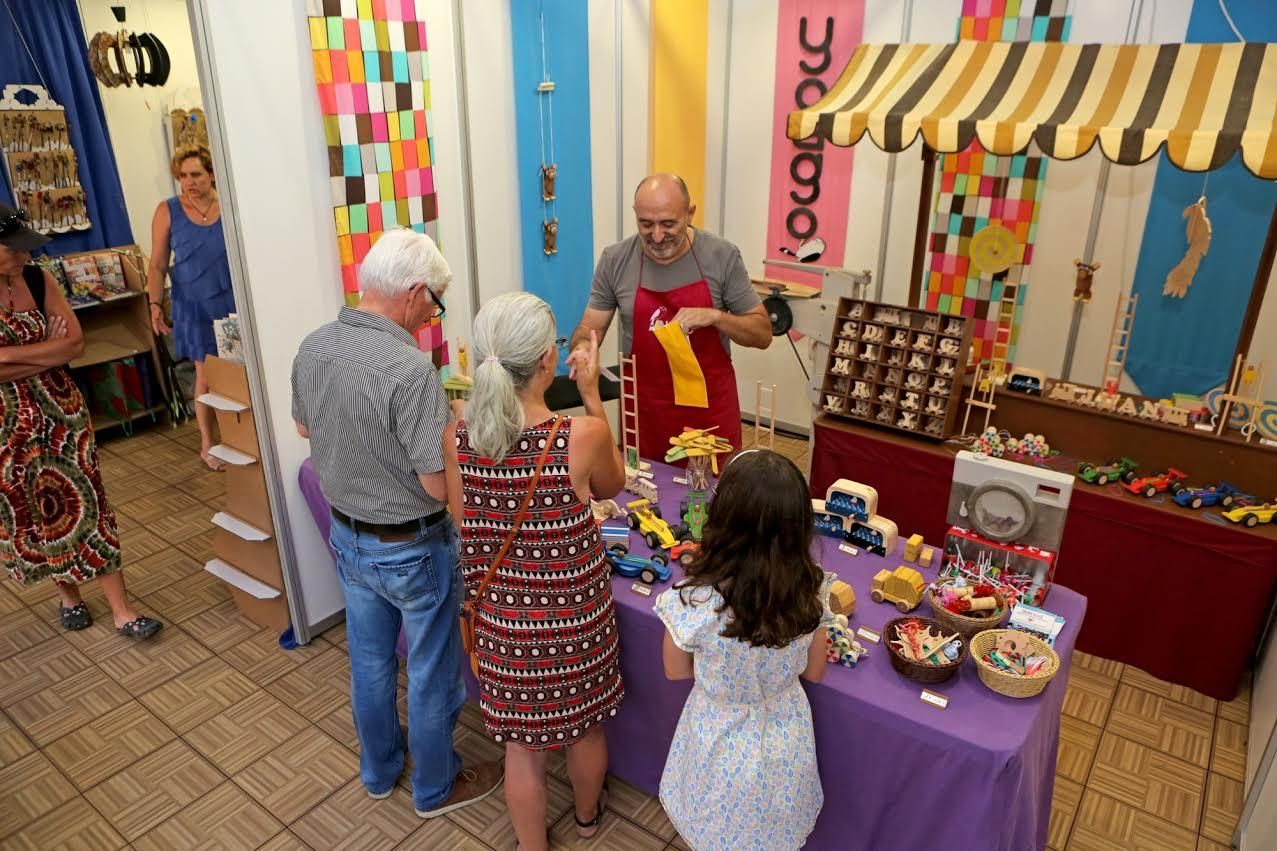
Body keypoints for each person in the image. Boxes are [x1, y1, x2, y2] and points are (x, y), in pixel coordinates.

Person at [291, 228, 502, 816]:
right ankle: (436, 786)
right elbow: (437, 486)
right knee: (432, 672)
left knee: (370, 662)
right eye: (435, 302)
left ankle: (380, 771)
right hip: (412, 546)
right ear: (413, 292)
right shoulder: (410, 369)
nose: (433, 315)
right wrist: (456, 434)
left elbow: (306, 427)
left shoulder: (314, 345)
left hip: (347, 535)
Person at [443, 292, 626, 851]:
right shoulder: (580, 436)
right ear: (549, 361)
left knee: (522, 750)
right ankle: (588, 818)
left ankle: (532, 846)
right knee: (586, 730)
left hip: (504, 623)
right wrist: (591, 395)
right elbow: (612, 486)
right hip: (575, 621)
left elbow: (464, 522)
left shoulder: (458, 439)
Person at [0, 204, 162, 639]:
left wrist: (11, 356)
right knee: (36, 512)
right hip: (7, 430)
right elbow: (55, 350)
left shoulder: (38, 278)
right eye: (14, 249)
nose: (25, 256)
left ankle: (122, 610)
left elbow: (73, 344)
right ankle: (68, 597)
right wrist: (44, 353)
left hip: (63, 416)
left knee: (87, 504)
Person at [655, 449, 826, 851]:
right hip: (786, 741)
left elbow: (675, 670)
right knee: (774, 833)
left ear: (722, 519)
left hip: (716, 738)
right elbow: (815, 671)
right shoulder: (811, 592)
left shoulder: (694, 599)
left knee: (713, 828)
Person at [568, 173, 771, 460]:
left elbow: (762, 334)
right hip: (644, 414)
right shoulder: (615, 260)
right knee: (640, 484)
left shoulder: (721, 256)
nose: (657, 236)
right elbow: (590, 327)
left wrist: (716, 317)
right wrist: (582, 348)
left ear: (690, 214)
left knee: (712, 486)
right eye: (646, 224)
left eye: (668, 224)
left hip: (709, 414)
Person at [146, 143, 237, 471]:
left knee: (239, 372)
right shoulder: (167, 210)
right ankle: (208, 443)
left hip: (231, 301)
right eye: (183, 176)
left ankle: (242, 437)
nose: (189, 182)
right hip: (193, 306)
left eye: (196, 174)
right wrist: (154, 303)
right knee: (205, 375)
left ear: (211, 174)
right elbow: (157, 264)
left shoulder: (229, 203)